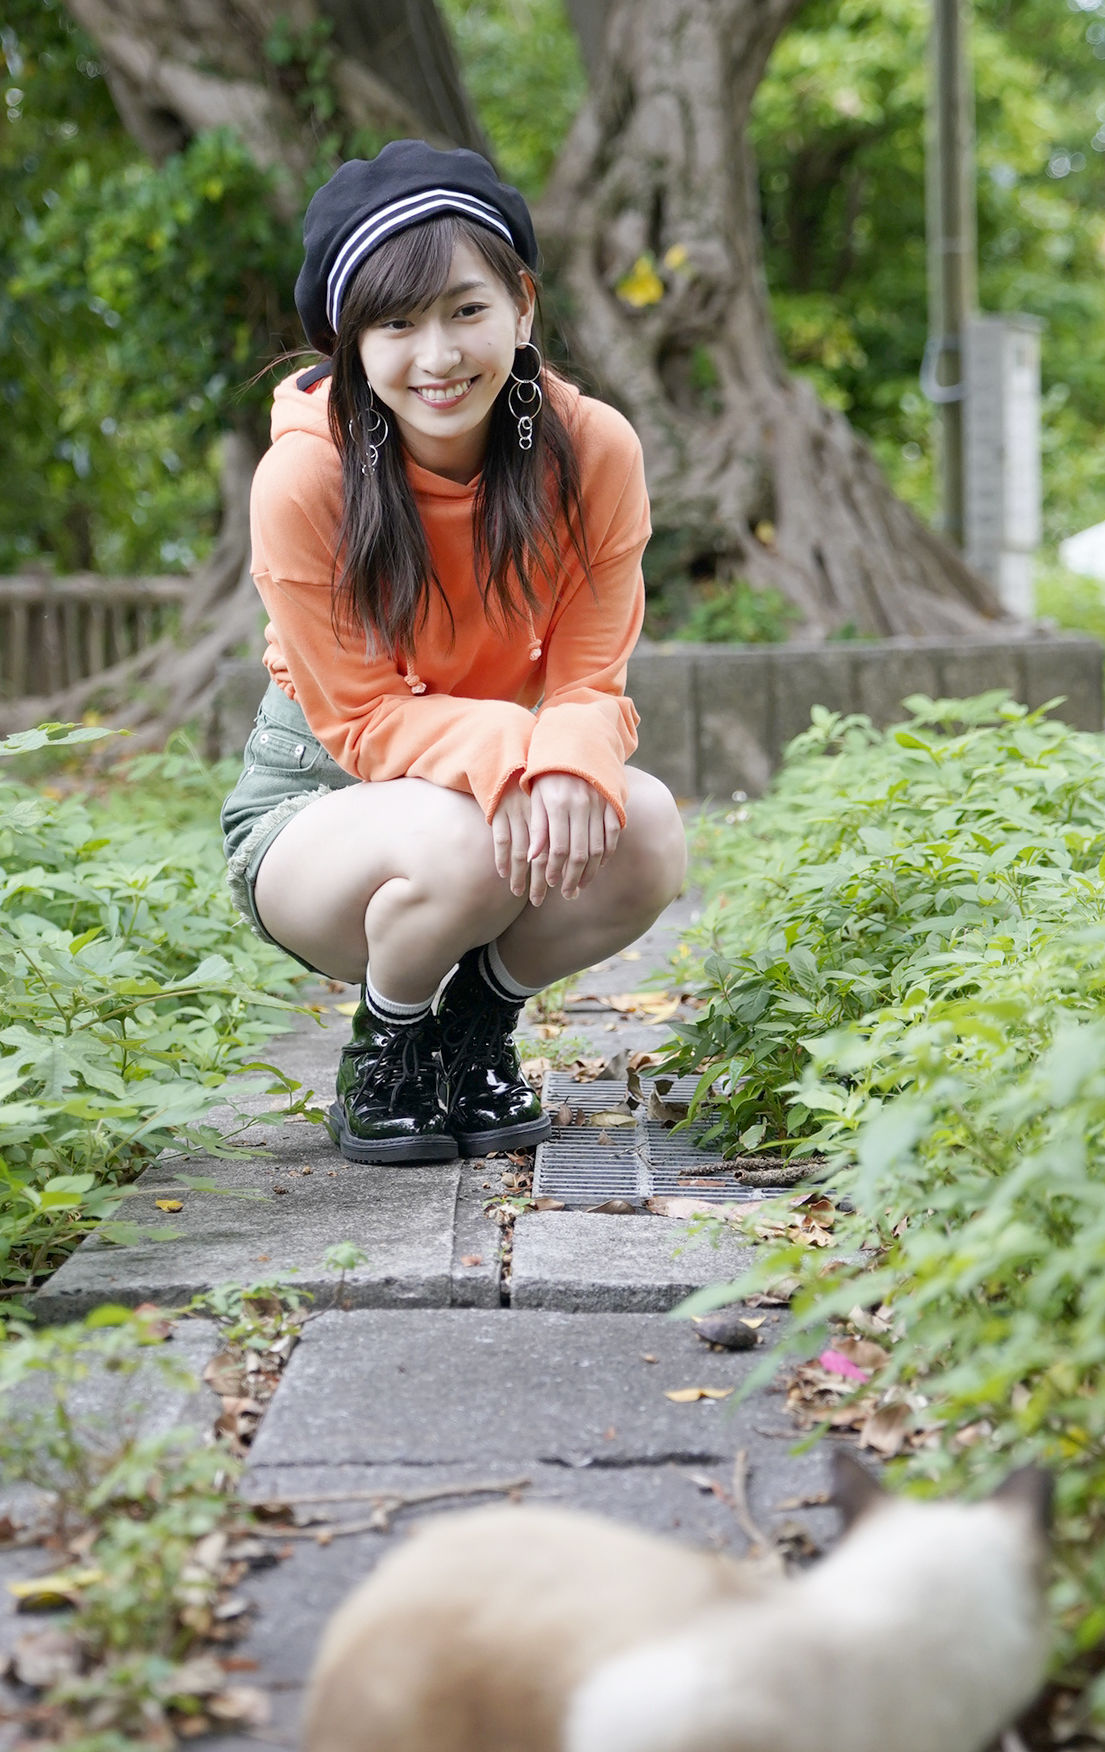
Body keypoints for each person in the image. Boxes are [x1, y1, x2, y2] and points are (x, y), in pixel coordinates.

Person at [221, 142, 687, 1166]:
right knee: (461, 839)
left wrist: (561, 752)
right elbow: (364, 719)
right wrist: (521, 747)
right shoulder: (305, 480)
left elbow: (591, 670)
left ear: (521, 307)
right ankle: (385, 1045)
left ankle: (473, 1023)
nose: (436, 356)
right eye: (396, 323)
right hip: (320, 812)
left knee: (646, 830)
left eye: (464, 311)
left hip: (486, 792)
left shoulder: (593, 448)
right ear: (351, 344)